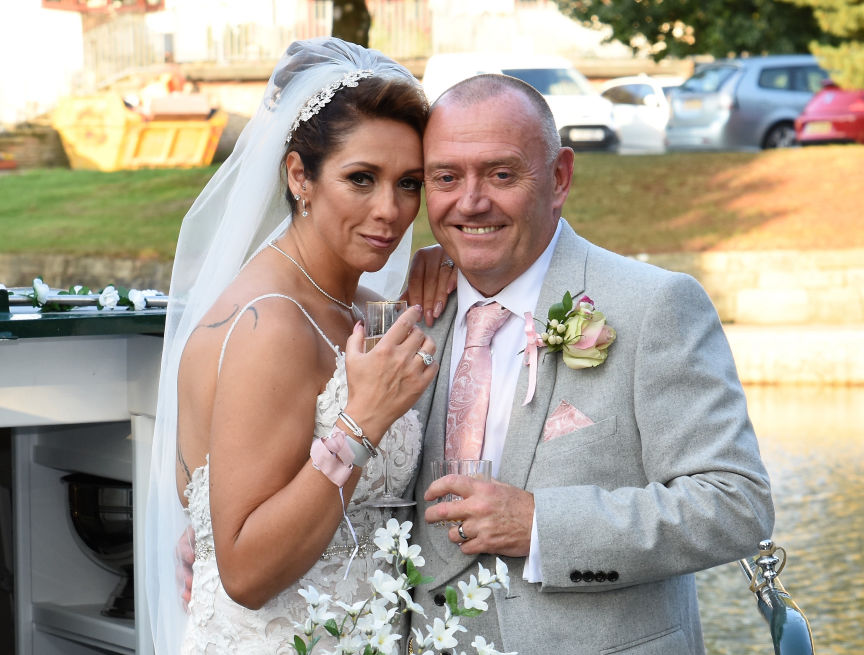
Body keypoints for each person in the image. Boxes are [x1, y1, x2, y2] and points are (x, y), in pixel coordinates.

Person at [406, 73, 775, 654]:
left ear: (559, 177)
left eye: (501, 174)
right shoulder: (409, 310)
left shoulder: (654, 305)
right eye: (446, 177)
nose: (471, 201)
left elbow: (736, 504)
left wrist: (541, 525)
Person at [144, 37, 438, 653]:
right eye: (361, 179)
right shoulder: (270, 325)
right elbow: (246, 574)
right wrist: (362, 423)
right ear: (300, 175)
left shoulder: (363, 307)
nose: (390, 210)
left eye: (409, 183)